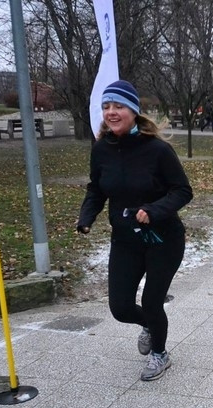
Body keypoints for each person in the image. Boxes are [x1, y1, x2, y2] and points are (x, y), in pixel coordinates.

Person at [76, 80, 193, 381]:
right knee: (121, 307)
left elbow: (182, 191)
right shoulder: (102, 149)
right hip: (126, 239)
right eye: (106, 106)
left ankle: (160, 354)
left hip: (162, 238)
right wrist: (87, 216)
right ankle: (150, 325)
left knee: (153, 302)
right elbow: (96, 189)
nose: (111, 112)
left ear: (134, 111)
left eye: (119, 106)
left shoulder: (157, 150)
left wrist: (153, 210)